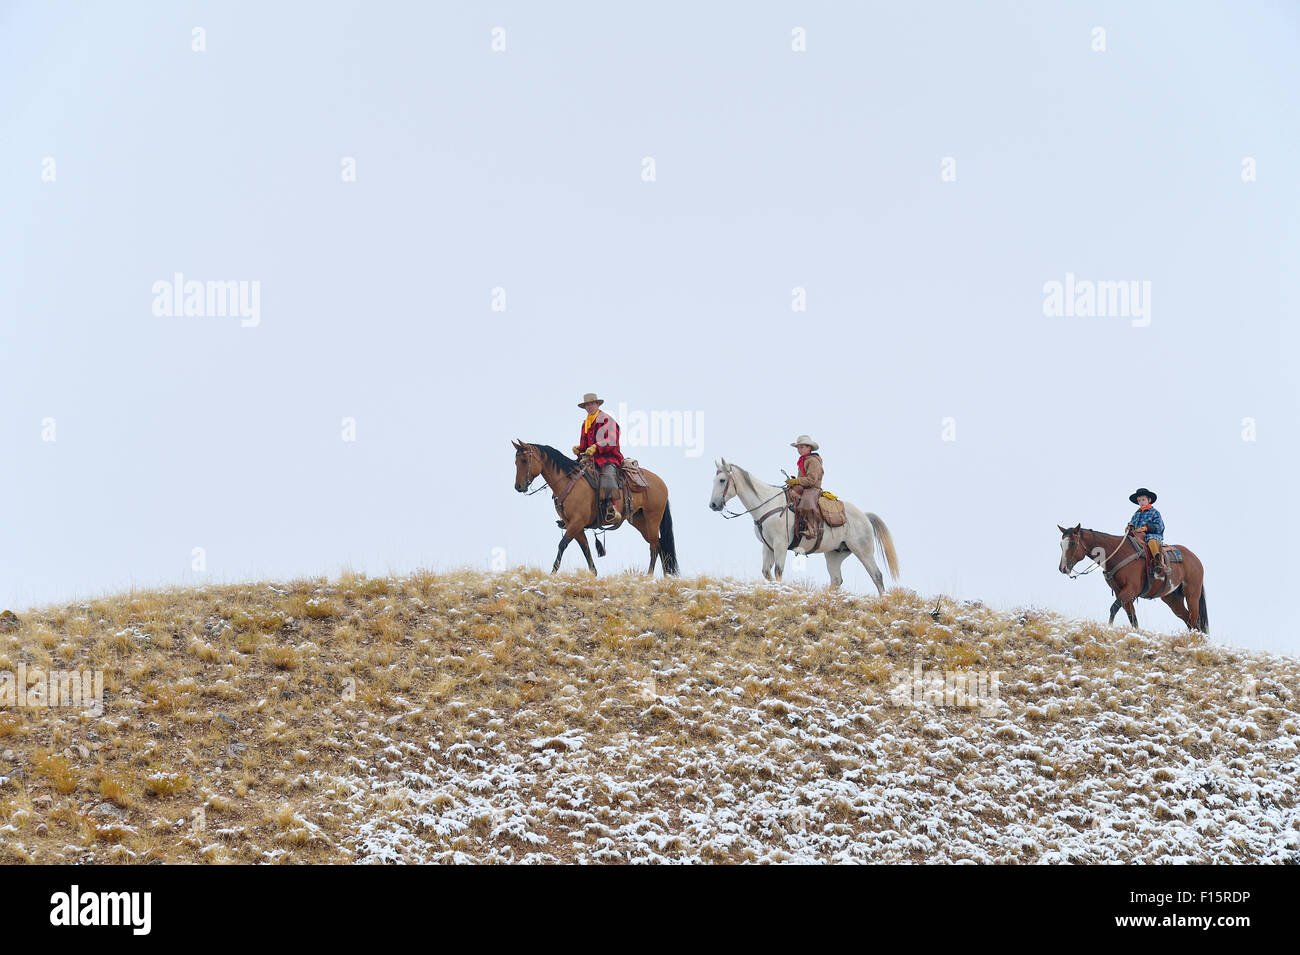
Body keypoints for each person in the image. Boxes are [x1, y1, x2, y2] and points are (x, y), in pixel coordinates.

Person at [574, 392, 624, 525]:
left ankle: (611, 508)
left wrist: (596, 447)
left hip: (608, 457)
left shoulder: (606, 419)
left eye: (592, 404)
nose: (589, 407)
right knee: (573, 474)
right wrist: (579, 449)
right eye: (587, 405)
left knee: (607, 474)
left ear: (597, 404)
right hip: (590, 460)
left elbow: (612, 440)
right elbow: (585, 446)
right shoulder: (586, 423)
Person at [786, 435, 823, 549]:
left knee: (807, 501)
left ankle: (811, 529)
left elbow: (812, 480)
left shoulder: (813, 461)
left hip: (813, 488)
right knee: (788, 493)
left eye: (802, 447)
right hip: (804, 487)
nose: (799, 449)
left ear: (809, 448)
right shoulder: (803, 460)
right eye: (798, 447)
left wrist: (796, 480)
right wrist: (794, 482)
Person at [1125, 487, 1167, 581]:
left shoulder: (1154, 512)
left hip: (1152, 536)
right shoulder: (1136, 514)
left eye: (1143, 499)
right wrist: (1129, 527)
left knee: (1151, 541)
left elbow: (1160, 526)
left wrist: (1147, 528)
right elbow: (1131, 523)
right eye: (1139, 500)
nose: (1141, 502)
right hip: (1138, 537)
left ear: (1149, 500)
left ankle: (1158, 563)